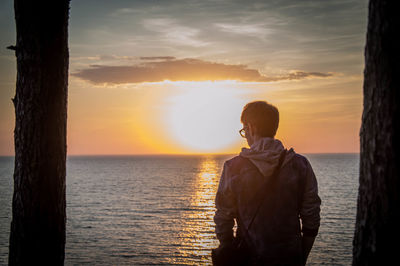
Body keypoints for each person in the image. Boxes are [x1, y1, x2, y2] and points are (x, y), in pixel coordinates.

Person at [213, 101, 321, 265]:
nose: (246, 136)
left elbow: (223, 217)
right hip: (289, 257)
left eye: (244, 130)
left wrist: (228, 249)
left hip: (247, 258)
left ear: (252, 127)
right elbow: (311, 217)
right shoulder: (301, 165)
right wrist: (301, 256)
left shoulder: (234, 168)